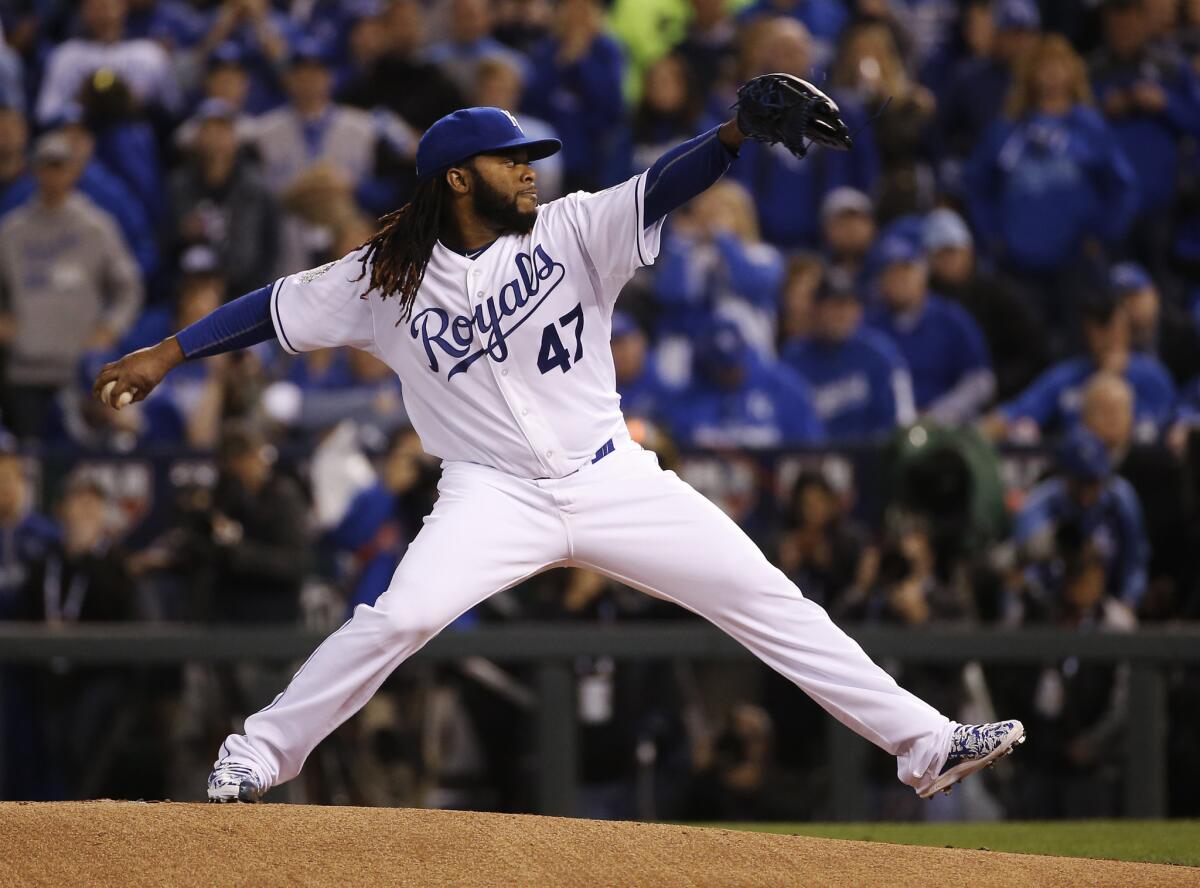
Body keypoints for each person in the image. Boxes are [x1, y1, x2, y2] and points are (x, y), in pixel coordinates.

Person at [93, 103, 1024, 805]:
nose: (532, 172)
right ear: (459, 179)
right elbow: (272, 308)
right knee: (399, 616)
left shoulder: (573, 227)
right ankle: (258, 754)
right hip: (491, 496)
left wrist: (735, 132)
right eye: (513, 161)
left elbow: (663, 184)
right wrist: (167, 354)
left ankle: (925, 743)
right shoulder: (382, 277)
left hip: (611, 475)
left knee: (766, 596)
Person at [965, 34, 1139, 331]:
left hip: (1076, 262)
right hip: (1018, 263)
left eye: (1059, 64)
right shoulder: (1007, 129)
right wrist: (993, 237)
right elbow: (976, 186)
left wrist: (1104, 235)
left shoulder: (1089, 126)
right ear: (1028, 74)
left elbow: (1121, 185)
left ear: (1073, 71)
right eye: (1043, 65)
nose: (1051, 73)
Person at [0, 133, 143, 439]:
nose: (53, 174)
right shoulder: (12, 230)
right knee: (30, 464)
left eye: (59, 166)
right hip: (26, 368)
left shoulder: (94, 226)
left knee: (82, 462)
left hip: (81, 369)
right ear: (34, 170)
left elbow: (129, 284)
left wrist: (111, 327)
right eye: (46, 166)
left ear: (73, 171)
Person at [985, 293, 1176, 444]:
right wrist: (973, 435)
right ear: (1087, 331)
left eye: (1111, 326)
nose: (1106, 337)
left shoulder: (1153, 376)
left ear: (1125, 326)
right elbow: (1016, 412)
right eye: (1098, 328)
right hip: (1076, 475)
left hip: (1140, 472)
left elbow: (1176, 421)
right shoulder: (1066, 376)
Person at [1011, 427, 1148, 613]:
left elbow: (1135, 559)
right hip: (1050, 609)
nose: (1086, 494)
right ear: (1064, 476)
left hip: (1109, 605)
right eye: (1079, 482)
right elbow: (1026, 569)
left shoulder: (1120, 499)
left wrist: (1128, 602)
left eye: (1092, 482)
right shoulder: (1039, 506)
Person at [865, 230, 995, 424]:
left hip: (947, 426)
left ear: (922, 275)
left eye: (906, 271)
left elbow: (981, 380)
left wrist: (938, 415)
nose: (900, 281)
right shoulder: (869, 328)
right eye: (892, 273)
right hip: (887, 430)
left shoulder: (950, 318)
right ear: (880, 283)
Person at [923, 207, 1050, 401]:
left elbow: (1034, 352)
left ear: (968, 251)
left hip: (1002, 396)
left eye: (952, 252)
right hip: (944, 397)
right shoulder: (925, 299)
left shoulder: (999, 293)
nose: (948, 261)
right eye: (940, 254)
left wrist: (997, 386)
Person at [781, 273, 915, 442]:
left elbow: (898, 419)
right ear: (816, 309)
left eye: (848, 306)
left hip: (871, 456)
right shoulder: (794, 357)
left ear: (858, 311)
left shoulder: (879, 353)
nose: (841, 314)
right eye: (833, 306)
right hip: (813, 459)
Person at [666, 319, 823, 448]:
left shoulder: (784, 388)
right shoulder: (691, 399)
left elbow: (811, 448)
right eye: (726, 368)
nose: (734, 372)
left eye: (737, 363)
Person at [35, 0, 182, 125]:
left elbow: (174, 111)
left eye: (110, 5)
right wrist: (81, 107)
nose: (104, 14)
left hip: (136, 133)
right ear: (84, 11)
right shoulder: (67, 55)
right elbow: (46, 114)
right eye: (96, 6)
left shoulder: (149, 54)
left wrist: (139, 106)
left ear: (124, 6)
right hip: (82, 134)